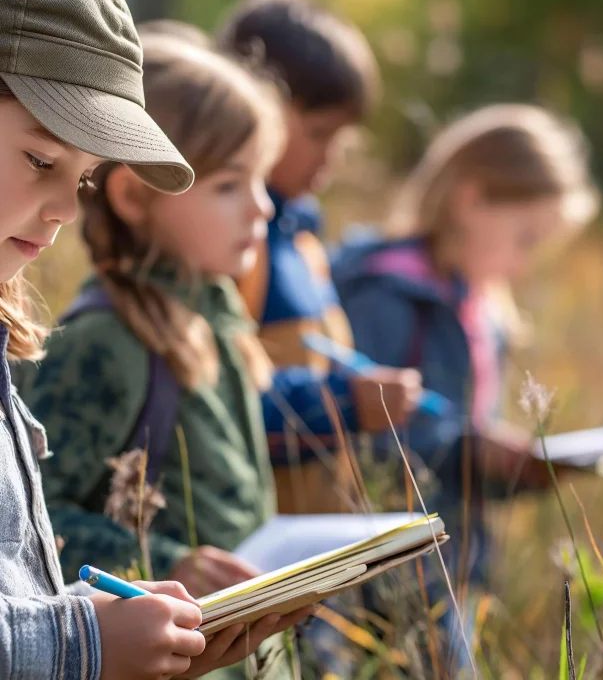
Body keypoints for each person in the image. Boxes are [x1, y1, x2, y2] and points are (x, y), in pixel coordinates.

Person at [24, 35, 415, 678]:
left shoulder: (216, 325)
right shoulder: (105, 343)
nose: (262, 207)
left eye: (261, 180)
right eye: (231, 184)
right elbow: (28, 530)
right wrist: (168, 560)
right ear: (134, 197)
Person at [0, 0, 307, 680]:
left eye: (79, 177)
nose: (67, 207)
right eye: (40, 158)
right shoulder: (103, 342)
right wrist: (86, 644)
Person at [332, 103, 599, 668]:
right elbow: (358, 435)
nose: (526, 264)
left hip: (458, 564)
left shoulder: (480, 308)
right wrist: (469, 450)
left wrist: (517, 469)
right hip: (388, 572)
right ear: (471, 199)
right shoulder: (386, 296)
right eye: (525, 238)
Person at [217, 0, 420, 516]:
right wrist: (344, 404)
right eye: (319, 132)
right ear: (252, 105)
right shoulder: (234, 247)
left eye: (344, 139)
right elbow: (217, 406)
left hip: (318, 547)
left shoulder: (305, 242)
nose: (332, 157)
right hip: (260, 555)